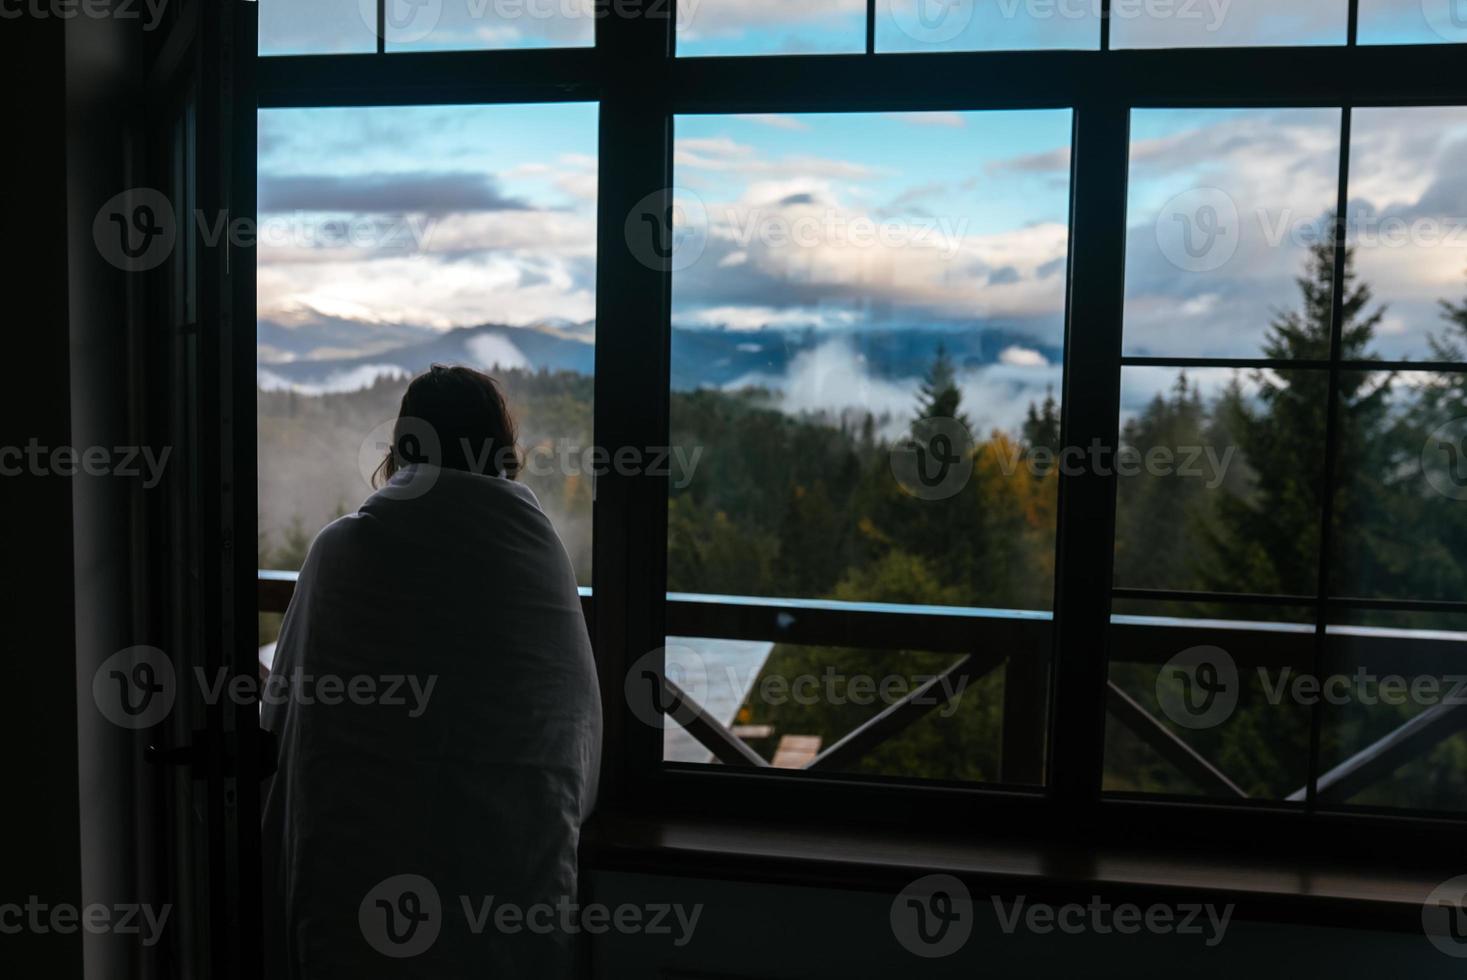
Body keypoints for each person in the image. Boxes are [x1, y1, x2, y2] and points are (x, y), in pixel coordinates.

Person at [261, 364, 601, 978]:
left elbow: (288, 716)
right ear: (501, 448)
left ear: (402, 446)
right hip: (509, 884)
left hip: (359, 889)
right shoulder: (539, 554)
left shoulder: (343, 552)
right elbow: (571, 723)